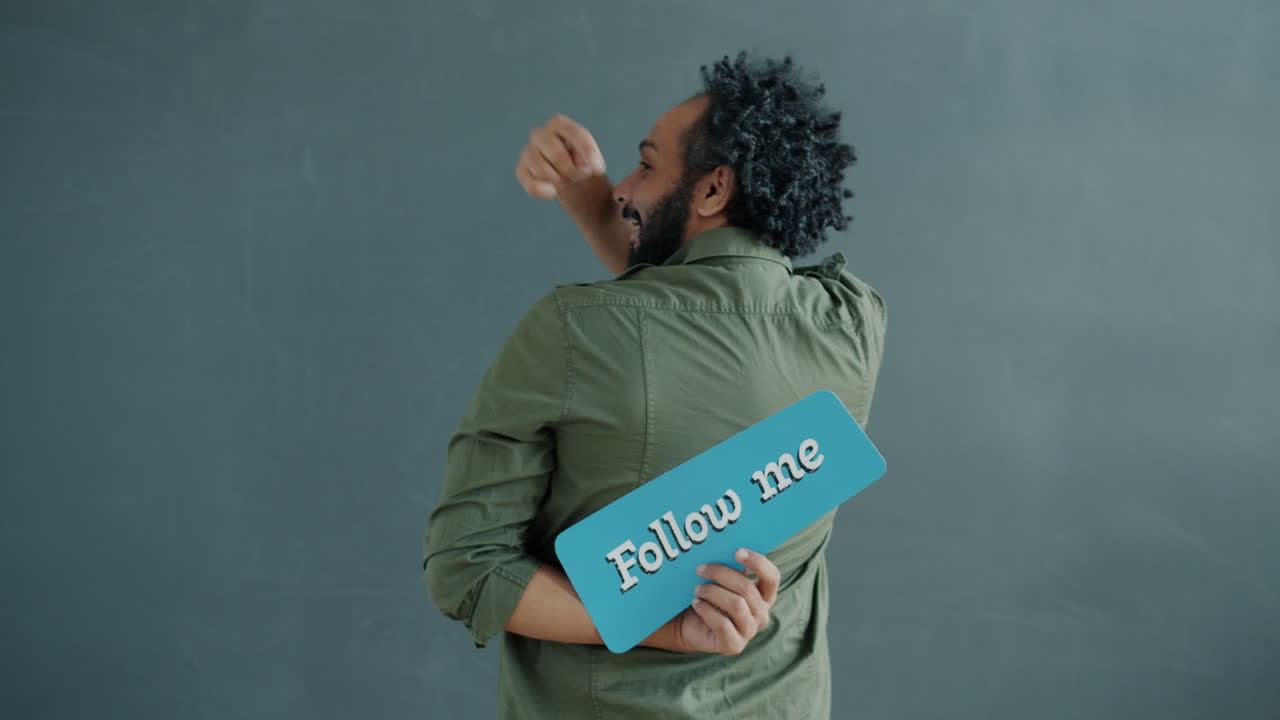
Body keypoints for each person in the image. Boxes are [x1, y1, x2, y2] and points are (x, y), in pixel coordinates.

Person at [423, 51, 888, 719]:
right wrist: (589, 201)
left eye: (645, 166)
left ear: (713, 190)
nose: (622, 190)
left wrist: (671, 629)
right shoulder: (853, 326)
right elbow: (707, 305)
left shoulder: (571, 333)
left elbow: (468, 571)